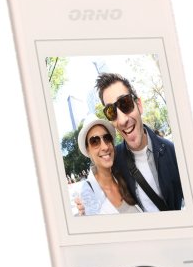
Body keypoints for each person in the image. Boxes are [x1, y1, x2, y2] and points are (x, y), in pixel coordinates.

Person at [96, 72, 184, 212]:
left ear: (139, 105)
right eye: (111, 111)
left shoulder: (173, 152)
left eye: (125, 103)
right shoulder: (114, 161)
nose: (122, 120)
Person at [75, 117, 140, 216]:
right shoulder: (88, 196)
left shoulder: (126, 175)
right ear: (88, 150)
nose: (105, 147)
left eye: (107, 138)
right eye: (94, 141)